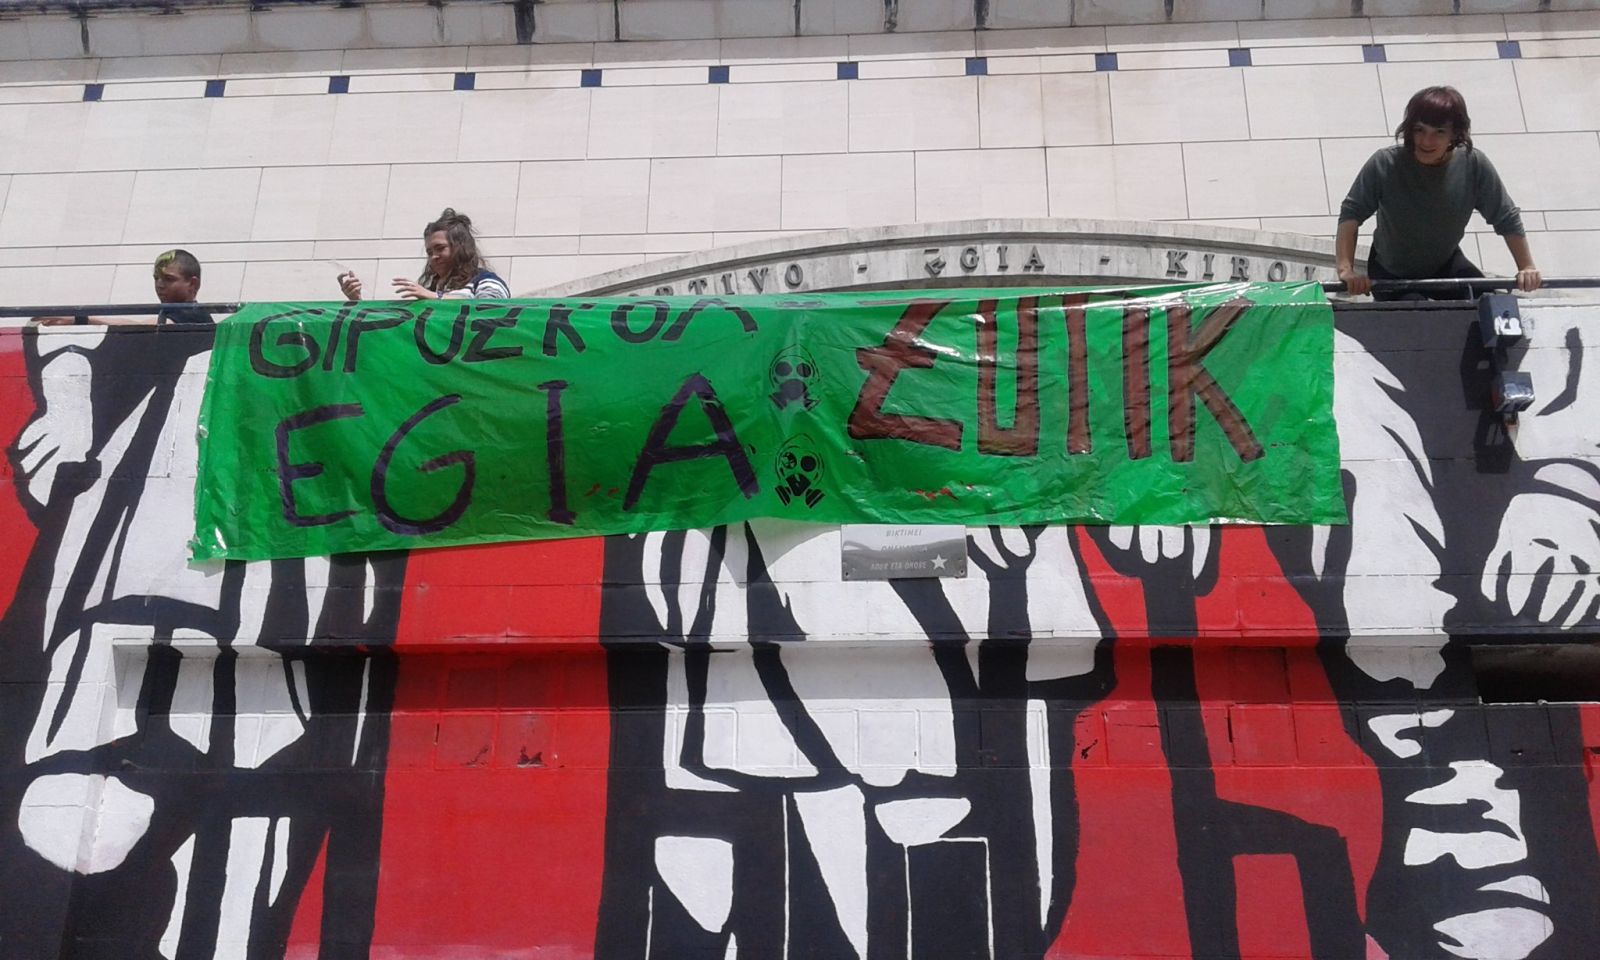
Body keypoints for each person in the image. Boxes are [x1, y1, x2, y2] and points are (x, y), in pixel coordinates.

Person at [1335, 86, 1541, 300]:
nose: (1426, 141)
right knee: (1417, 312)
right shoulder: (1385, 163)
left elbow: (1505, 216)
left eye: (1439, 132)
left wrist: (1526, 266)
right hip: (1391, 271)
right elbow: (1351, 213)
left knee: (1489, 303)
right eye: (1419, 130)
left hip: (1445, 263)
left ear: (1455, 134)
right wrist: (1346, 270)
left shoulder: (1473, 164)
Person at [337, 207, 510, 301]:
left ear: (461, 247)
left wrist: (435, 297)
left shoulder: (486, 281)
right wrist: (357, 301)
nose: (434, 256)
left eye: (440, 248)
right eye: (429, 252)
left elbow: (490, 313)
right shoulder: (428, 293)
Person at [34, 249, 213, 326]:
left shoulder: (194, 314)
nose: (159, 284)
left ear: (193, 283)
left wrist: (81, 319)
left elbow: (141, 327)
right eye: (156, 278)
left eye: (168, 279)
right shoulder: (173, 313)